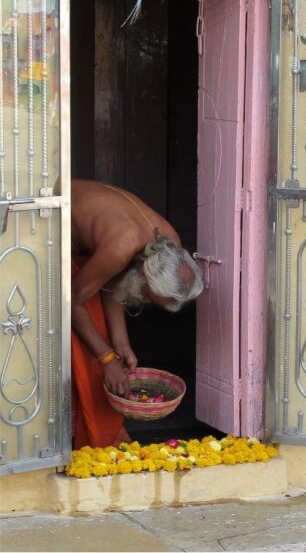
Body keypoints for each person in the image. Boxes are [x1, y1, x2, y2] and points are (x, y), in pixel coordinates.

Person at [70, 179, 204, 449]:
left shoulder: (170, 244)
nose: (147, 302)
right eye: (152, 297)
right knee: (88, 350)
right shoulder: (120, 248)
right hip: (47, 225)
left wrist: (121, 346)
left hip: (95, 252)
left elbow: (111, 285)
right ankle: (84, 439)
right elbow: (71, 301)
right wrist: (107, 359)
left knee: (101, 341)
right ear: (145, 277)